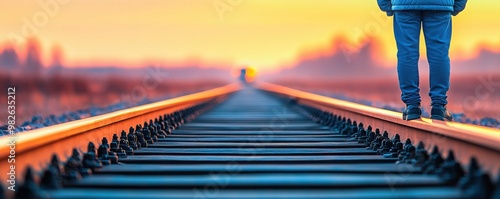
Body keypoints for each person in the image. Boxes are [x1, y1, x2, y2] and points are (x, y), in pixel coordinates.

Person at [377, 0, 467, 121]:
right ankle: (438, 107)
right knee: (439, 54)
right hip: (440, 4)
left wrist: (386, 5)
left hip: (404, 4)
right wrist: (457, 4)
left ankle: (412, 106)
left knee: (407, 54)